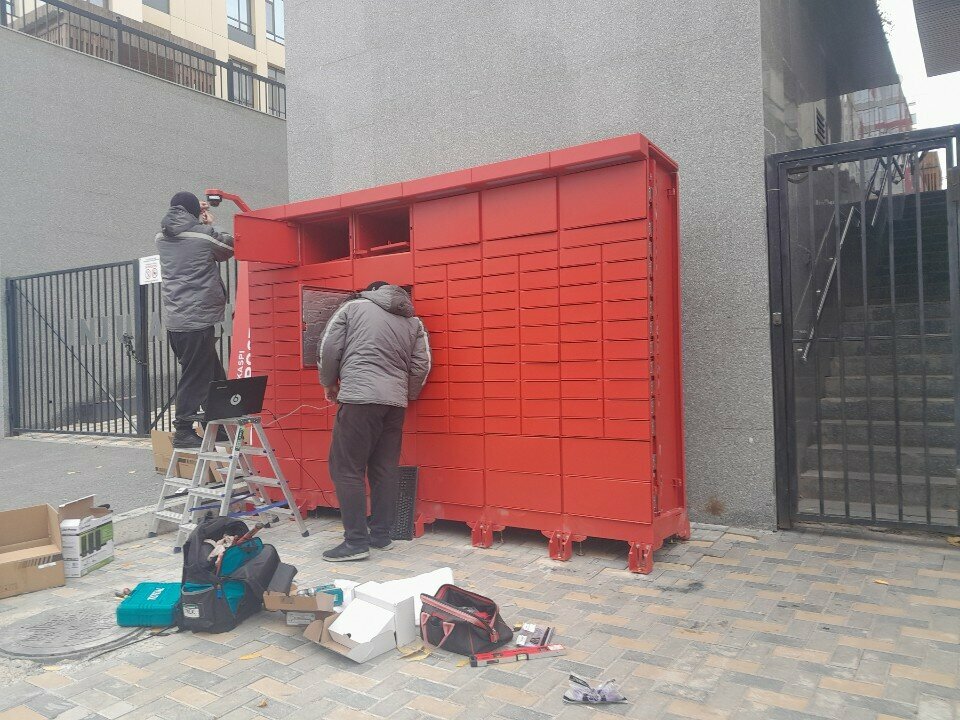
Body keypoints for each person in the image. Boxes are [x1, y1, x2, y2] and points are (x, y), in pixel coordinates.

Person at [318, 281, 432, 561]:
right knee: (384, 468)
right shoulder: (412, 321)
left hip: (359, 398)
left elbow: (328, 348)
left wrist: (329, 383)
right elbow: (422, 365)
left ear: (370, 293)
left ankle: (355, 542)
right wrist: (405, 394)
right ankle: (380, 535)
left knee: (346, 468)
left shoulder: (353, 308)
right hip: (394, 403)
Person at [155, 191, 235, 448]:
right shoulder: (201, 235)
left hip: (177, 322)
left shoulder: (161, 237)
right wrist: (210, 223)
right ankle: (183, 429)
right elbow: (230, 247)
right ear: (193, 211)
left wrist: (195, 217)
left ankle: (218, 425)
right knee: (196, 375)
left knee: (213, 374)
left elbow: (184, 227)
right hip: (197, 320)